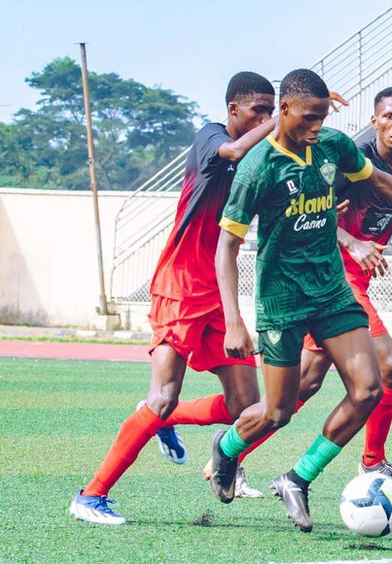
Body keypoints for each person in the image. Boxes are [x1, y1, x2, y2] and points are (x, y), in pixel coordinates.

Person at [210, 69, 392, 532]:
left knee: (370, 388)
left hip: (333, 291)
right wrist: (234, 320)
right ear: (285, 110)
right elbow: (226, 248)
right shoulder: (259, 168)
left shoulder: (332, 146)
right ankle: (227, 447)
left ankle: (297, 478)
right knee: (279, 411)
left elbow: (382, 183)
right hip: (283, 298)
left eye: (322, 117)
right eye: (309, 117)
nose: (317, 126)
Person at [69, 72, 279, 525]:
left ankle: (162, 419)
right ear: (233, 110)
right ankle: (90, 495)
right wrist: (284, 118)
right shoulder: (212, 137)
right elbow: (233, 151)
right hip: (180, 285)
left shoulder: (259, 159)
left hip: (219, 291)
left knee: (245, 405)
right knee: (163, 394)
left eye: (272, 108)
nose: (265, 117)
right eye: (259, 110)